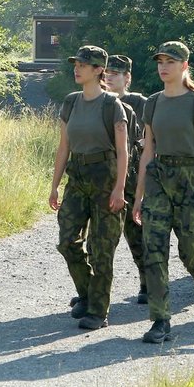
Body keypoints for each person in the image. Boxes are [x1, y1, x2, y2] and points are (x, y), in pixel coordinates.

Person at [132, 41, 194, 343]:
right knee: (154, 249)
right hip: (160, 177)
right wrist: (139, 195)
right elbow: (147, 151)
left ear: (185, 65)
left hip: (192, 179)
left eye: (170, 61)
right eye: (160, 61)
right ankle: (161, 320)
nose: (163, 66)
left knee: (191, 250)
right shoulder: (153, 102)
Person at [50, 46, 129, 329]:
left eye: (84, 64)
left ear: (99, 71)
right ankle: (86, 294)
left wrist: (120, 188)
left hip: (105, 177)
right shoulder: (71, 102)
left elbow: (123, 151)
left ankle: (97, 311)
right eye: (76, 63)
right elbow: (63, 147)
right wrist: (55, 185)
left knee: (102, 248)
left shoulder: (111, 105)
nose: (77, 68)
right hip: (78, 176)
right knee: (66, 241)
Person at [103, 54, 149, 304]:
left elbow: (150, 137)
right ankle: (93, 290)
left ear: (127, 77)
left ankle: (147, 281)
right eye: (107, 73)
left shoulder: (139, 103)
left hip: (131, 176)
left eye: (116, 74)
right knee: (100, 238)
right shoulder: (99, 101)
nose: (110, 77)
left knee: (136, 233)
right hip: (102, 175)